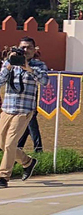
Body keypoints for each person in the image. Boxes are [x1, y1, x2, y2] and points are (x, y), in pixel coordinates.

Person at [0, 37, 48, 187]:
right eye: (22, 47)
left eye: (28, 48)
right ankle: (27, 162)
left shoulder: (39, 65)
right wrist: (9, 65)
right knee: (2, 143)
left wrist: (29, 68)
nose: (25, 50)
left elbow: (45, 81)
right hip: (7, 108)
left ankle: (3, 176)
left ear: (34, 50)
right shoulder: (10, 63)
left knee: (10, 143)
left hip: (24, 110)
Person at [16, 45, 44, 155]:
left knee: (32, 128)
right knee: (27, 129)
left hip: (30, 106)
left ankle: (38, 149)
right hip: (23, 104)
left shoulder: (34, 68)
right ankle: (19, 148)